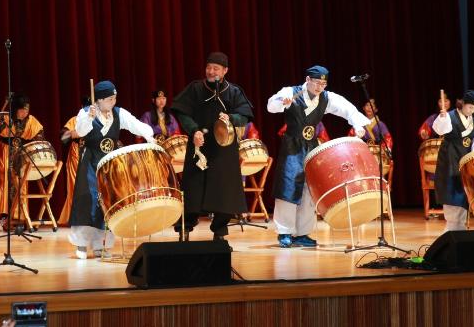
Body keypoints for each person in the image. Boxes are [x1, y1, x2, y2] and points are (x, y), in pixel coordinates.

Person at [266, 66, 370, 248]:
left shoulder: (326, 97)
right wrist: (282, 102)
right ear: (307, 80)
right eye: (317, 83)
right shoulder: (291, 92)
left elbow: (347, 109)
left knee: (310, 189)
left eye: (323, 84)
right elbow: (271, 106)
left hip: (311, 146)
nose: (320, 87)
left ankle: (302, 233)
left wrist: (358, 125)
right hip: (292, 145)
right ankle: (284, 232)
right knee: (288, 185)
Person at [170, 52, 254, 242]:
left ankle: (220, 232)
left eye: (216, 68)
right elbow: (182, 112)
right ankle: (185, 228)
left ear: (225, 71)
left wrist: (231, 118)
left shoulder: (233, 91)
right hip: (199, 146)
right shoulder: (195, 88)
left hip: (224, 149)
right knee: (193, 189)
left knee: (224, 191)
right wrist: (194, 131)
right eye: (208, 67)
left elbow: (244, 116)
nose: (211, 71)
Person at [68, 80, 154, 258]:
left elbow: (136, 125)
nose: (113, 102)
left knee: (107, 202)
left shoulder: (119, 113)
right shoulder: (86, 112)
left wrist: (149, 137)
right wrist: (89, 117)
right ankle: (81, 244)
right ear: (99, 100)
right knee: (88, 200)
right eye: (109, 99)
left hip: (110, 163)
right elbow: (80, 131)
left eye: (114, 98)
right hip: (90, 162)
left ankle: (101, 245)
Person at [0, 94, 45, 230]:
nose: (25, 113)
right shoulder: (7, 118)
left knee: (21, 183)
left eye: (27, 110)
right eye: (22, 110)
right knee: (5, 182)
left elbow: (39, 132)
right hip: (6, 152)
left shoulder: (31, 120)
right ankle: (5, 217)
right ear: (16, 109)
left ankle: (20, 218)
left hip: (21, 153)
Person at [433, 89, 474, 232]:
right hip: (449, 159)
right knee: (450, 192)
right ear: (462, 104)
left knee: (463, 193)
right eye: (470, 107)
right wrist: (442, 118)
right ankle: (451, 228)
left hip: (465, 162)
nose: (472, 110)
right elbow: (440, 130)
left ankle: (459, 227)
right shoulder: (450, 116)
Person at [57, 113, 81, 226]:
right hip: (77, 154)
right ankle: (76, 217)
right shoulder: (75, 120)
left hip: (93, 154)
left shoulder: (100, 119)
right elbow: (63, 137)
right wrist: (72, 133)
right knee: (75, 186)